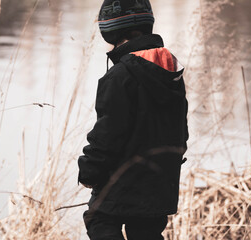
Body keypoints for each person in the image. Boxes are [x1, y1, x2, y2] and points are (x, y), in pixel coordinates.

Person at [77, 0, 188, 239]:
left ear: (110, 29)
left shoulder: (120, 75)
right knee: (146, 233)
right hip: (160, 186)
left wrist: (88, 171)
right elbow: (181, 132)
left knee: (98, 218)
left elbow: (107, 135)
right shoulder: (171, 71)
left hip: (122, 186)